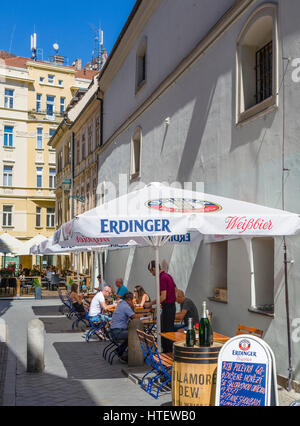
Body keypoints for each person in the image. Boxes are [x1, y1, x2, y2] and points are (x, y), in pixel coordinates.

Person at [145, 260, 177, 353]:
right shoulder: (168, 276)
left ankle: (167, 353)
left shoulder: (162, 278)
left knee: (165, 331)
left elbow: (163, 296)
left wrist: (150, 304)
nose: (151, 274)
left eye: (151, 271)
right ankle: (169, 352)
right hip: (171, 306)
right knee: (168, 330)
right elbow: (176, 290)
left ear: (154, 268)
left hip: (167, 307)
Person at [110, 292, 142, 362]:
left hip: (113, 331)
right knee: (136, 334)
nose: (133, 302)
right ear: (129, 299)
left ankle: (120, 351)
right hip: (118, 332)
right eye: (132, 300)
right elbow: (134, 317)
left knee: (132, 334)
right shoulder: (125, 307)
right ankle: (126, 355)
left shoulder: (121, 304)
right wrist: (143, 316)